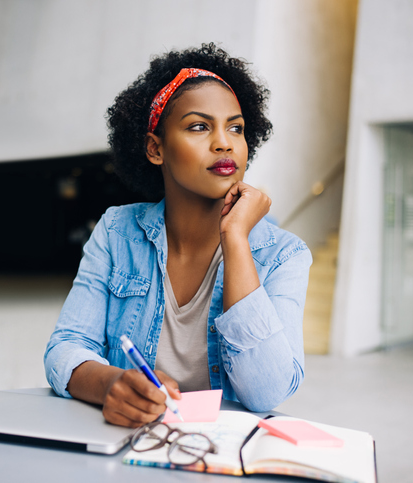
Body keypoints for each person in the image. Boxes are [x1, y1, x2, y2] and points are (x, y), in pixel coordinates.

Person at [44, 43, 312, 428]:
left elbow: (266, 392)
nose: (224, 142)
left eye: (235, 128)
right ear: (156, 149)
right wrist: (111, 384)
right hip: (129, 447)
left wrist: (236, 240)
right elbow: (65, 347)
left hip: (222, 456)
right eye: (199, 126)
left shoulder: (285, 254)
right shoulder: (118, 232)